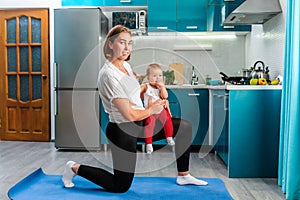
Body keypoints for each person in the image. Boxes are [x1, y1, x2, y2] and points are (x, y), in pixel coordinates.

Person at [62, 25, 208, 193]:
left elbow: (133, 97)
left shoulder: (126, 67)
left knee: (183, 127)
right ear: (110, 44)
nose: (127, 48)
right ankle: (73, 167)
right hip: (122, 129)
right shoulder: (109, 74)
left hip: (141, 124)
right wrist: (151, 110)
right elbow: (129, 114)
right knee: (120, 185)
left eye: (130, 43)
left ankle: (183, 175)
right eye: (122, 42)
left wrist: (156, 102)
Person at [140, 63, 175, 154]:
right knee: (149, 124)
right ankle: (149, 144)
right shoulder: (146, 86)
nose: (158, 78)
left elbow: (165, 96)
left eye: (160, 75)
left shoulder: (160, 87)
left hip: (160, 109)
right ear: (148, 77)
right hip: (150, 111)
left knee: (167, 119)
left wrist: (162, 87)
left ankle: (169, 137)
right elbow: (138, 93)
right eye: (154, 76)